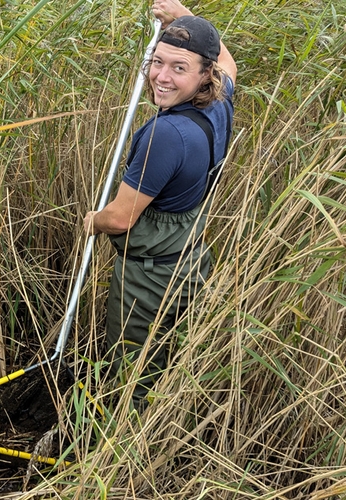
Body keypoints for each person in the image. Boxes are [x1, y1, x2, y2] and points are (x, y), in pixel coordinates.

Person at [83, 0, 237, 409]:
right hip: (190, 262)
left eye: (179, 68)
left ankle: (118, 454)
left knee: (129, 377)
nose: (161, 77)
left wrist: (92, 221)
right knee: (168, 365)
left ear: (205, 73)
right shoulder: (219, 103)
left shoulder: (165, 135)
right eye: (157, 61)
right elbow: (229, 61)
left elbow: (121, 217)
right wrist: (183, 17)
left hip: (147, 281)